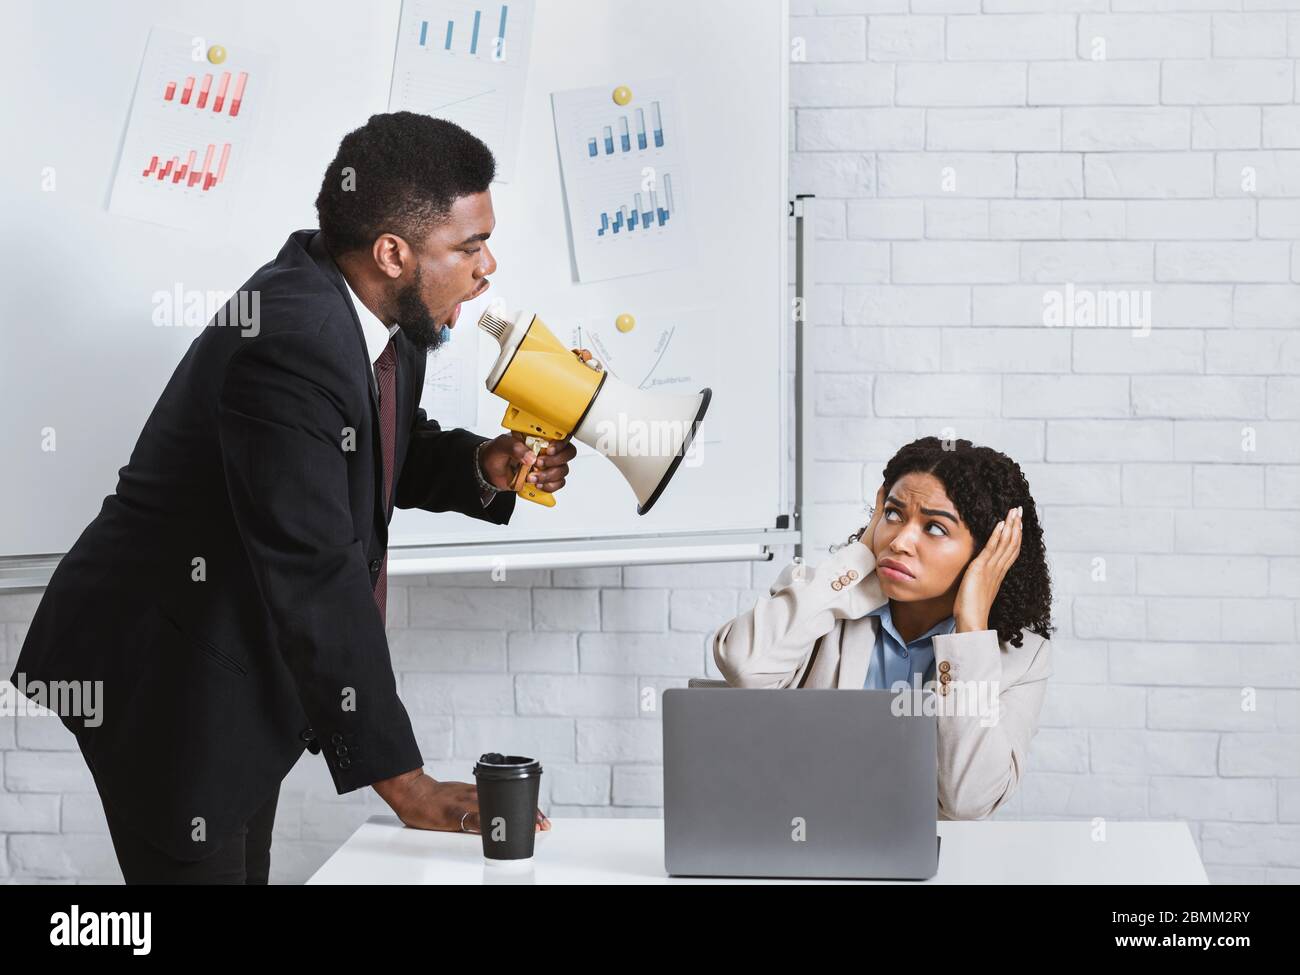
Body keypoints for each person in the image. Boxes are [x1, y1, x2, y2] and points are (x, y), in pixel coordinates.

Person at [11, 112, 568, 883]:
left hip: (238, 665)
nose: (488, 265)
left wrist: (487, 464)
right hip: (163, 672)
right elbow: (316, 572)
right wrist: (405, 784)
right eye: (469, 246)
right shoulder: (290, 338)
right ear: (393, 252)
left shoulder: (383, 311)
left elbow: (378, 450)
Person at [712, 436, 1055, 820]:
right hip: (802, 839)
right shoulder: (820, 598)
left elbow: (967, 801)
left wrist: (971, 628)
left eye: (936, 528)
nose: (901, 541)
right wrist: (857, 559)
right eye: (893, 515)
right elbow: (744, 668)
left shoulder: (1022, 660)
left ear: (987, 553)